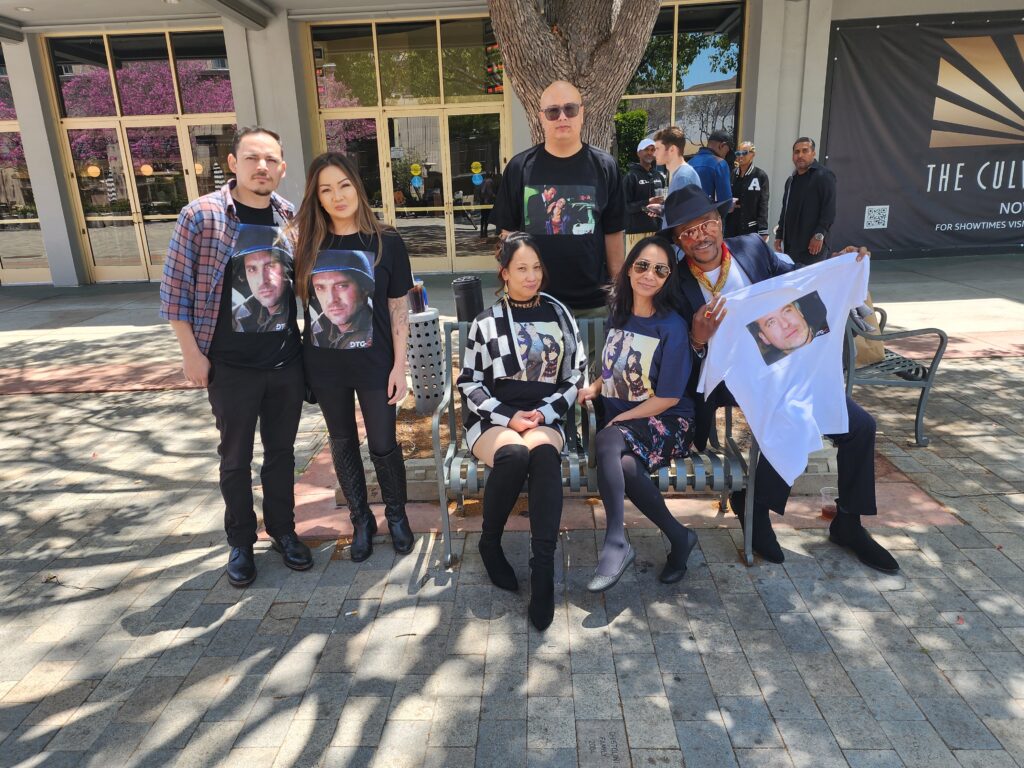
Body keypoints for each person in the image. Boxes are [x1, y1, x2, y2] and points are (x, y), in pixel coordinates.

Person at [662, 185, 898, 572]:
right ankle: (755, 507)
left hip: (783, 370)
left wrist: (838, 265)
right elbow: (677, 361)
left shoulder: (752, 249)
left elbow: (801, 283)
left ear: (720, 222)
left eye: (706, 224)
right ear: (677, 241)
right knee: (786, 414)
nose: (699, 236)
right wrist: (697, 338)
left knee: (860, 427)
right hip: (721, 380)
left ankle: (848, 523)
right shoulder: (674, 286)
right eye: (687, 232)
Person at [160, 126, 312, 587]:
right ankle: (241, 543)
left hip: (285, 361)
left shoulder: (290, 217)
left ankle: (284, 532)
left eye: (270, 160)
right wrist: (191, 354)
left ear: (282, 167)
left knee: (282, 455)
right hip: (230, 366)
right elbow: (174, 291)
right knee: (235, 458)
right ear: (233, 163)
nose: (261, 167)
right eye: (251, 158)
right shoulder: (201, 216)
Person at [457, 232, 586, 630]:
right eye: (521, 269)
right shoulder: (486, 322)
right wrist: (508, 416)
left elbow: (576, 375)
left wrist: (545, 414)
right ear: (505, 274)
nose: (531, 277)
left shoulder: (560, 314)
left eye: (536, 268)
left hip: (545, 417)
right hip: (495, 420)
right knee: (514, 453)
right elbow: (470, 383)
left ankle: (542, 570)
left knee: (543, 454)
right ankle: (490, 542)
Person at [290, 152, 415, 562]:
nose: (337, 196)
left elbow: (399, 308)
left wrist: (401, 366)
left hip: (376, 363)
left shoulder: (387, 241)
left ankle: (396, 516)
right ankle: (361, 520)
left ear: (357, 188)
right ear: (317, 198)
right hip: (325, 365)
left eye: (343, 185)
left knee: (383, 442)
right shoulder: (304, 244)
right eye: (326, 189)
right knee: (342, 441)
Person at [579, 236, 699, 591]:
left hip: (670, 421)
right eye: (642, 265)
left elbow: (668, 397)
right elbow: (612, 367)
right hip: (628, 431)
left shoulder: (672, 327)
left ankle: (616, 541)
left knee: (607, 439)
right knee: (626, 466)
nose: (649, 275)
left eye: (660, 269)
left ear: (668, 278)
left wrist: (619, 422)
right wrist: (595, 388)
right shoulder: (619, 313)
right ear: (629, 268)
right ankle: (680, 537)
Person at [490, 80, 626, 319]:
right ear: (541, 118)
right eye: (553, 111)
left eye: (570, 109)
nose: (562, 117)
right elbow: (507, 235)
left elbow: (613, 233)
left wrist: (619, 291)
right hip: (534, 302)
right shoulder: (519, 168)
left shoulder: (605, 166)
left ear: (581, 114)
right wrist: (514, 289)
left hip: (593, 304)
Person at [775, 137, 837, 266]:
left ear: (813, 153)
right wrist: (779, 235)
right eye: (796, 152)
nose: (800, 155)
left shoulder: (824, 176)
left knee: (812, 285)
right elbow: (785, 210)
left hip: (813, 247)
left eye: (805, 151)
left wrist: (819, 235)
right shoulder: (791, 180)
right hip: (791, 245)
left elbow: (829, 211)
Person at [309, 251, 374, 349]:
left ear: (364, 288)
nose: (331, 299)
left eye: (341, 286)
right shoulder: (315, 330)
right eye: (320, 288)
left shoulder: (378, 331)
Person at [231, 227, 291, 333]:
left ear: (285, 268)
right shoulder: (238, 314)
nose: (262, 280)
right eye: (252, 269)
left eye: (270, 266)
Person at [749, 297, 828, 365]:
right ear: (764, 338)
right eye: (771, 323)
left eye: (787, 311)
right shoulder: (765, 377)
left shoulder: (836, 326)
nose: (785, 324)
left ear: (799, 311)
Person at [624, 138, 667, 253]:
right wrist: (647, 203)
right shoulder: (631, 176)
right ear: (639, 153)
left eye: (652, 150)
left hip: (656, 231)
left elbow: (662, 203)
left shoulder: (659, 176)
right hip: (635, 232)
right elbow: (625, 207)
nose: (649, 152)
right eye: (646, 149)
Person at [725, 141, 770, 240]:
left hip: (750, 227)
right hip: (731, 227)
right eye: (738, 153)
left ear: (753, 154)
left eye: (744, 153)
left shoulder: (760, 175)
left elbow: (763, 203)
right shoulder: (732, 174)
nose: (741, 156)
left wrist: (763, 230)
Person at [687, 129, 733, 205]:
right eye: (727, 151)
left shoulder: (688, 163)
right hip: (708, 215)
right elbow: (726, 202)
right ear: (722, 145)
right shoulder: (720, 164)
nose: (726, 155)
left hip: (687, 214)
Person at [479, 171, 497, 238]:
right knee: (488, 217)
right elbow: (490, 192)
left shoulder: (483, 181)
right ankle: (486, 232)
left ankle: (482, 231)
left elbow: (481, 191)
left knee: (483, 217)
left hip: (483, 202)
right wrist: (495, 196)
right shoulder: (489, 181)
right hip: (488, 202)